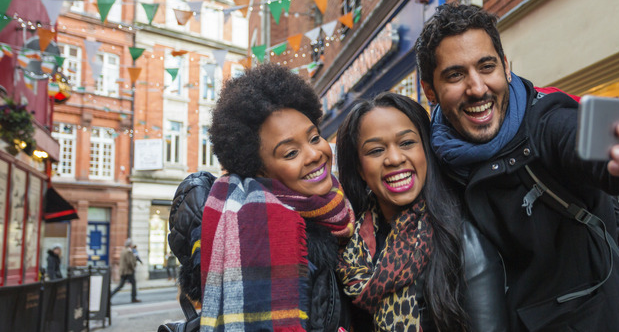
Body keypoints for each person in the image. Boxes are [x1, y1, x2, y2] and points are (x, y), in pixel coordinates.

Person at [414, 3, 619, 331]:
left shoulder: (549, 124)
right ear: (430, 91)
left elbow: (598, 152)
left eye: (487, 67)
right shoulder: (433, 161)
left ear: (506, 68)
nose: (477, 88)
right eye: (455, 75)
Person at [168, 63, 355, 332]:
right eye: (290, 153)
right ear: (258, 169)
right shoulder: (266, 235)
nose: (315, 154)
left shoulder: (344, 211)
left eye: (314, 138)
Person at [335, 92, 508, 332]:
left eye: (407, 143)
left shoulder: (462, 239)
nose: (394, 159)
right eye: (376, 151)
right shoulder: (349, 250)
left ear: (426, 150)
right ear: (359, 168)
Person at [110, 238, 141, 303]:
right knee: (133, 284)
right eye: (131, 244)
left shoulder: (123, 250)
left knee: (120, 285)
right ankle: (133, 298)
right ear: (130, 245)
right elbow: (130, 262)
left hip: (124, 271)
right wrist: (133, 267)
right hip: (128, 271)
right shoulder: (128, 251)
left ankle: (109, 296)